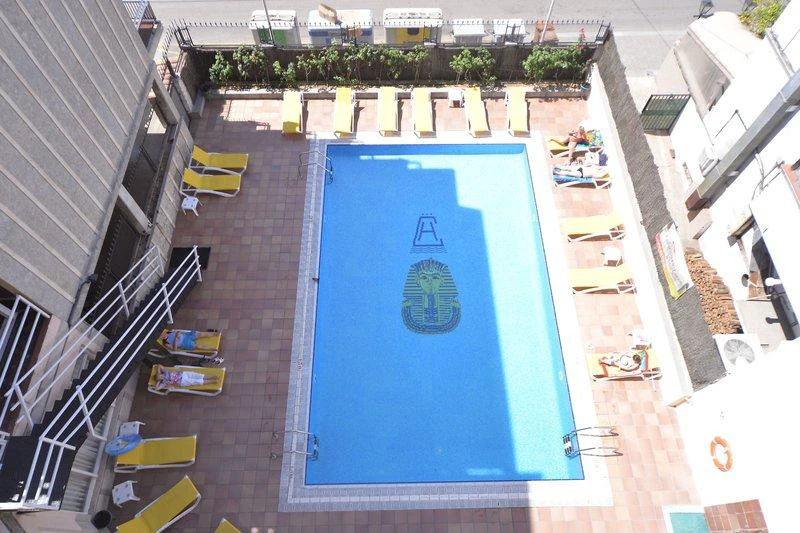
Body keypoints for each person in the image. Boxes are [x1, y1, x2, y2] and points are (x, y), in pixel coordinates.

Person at [154, 365, 220, 389]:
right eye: (159, 378)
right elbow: (157, 388)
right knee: (196, 381)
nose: (160, 377)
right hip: (182, 381)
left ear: (159, 373)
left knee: (198, 375)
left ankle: (213, 377)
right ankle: (213, 381)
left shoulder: (165, 371)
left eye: (159, 375)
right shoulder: (164, 382)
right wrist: (159, 381)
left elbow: (159, 365)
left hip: (183, 374)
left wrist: (159, 372)